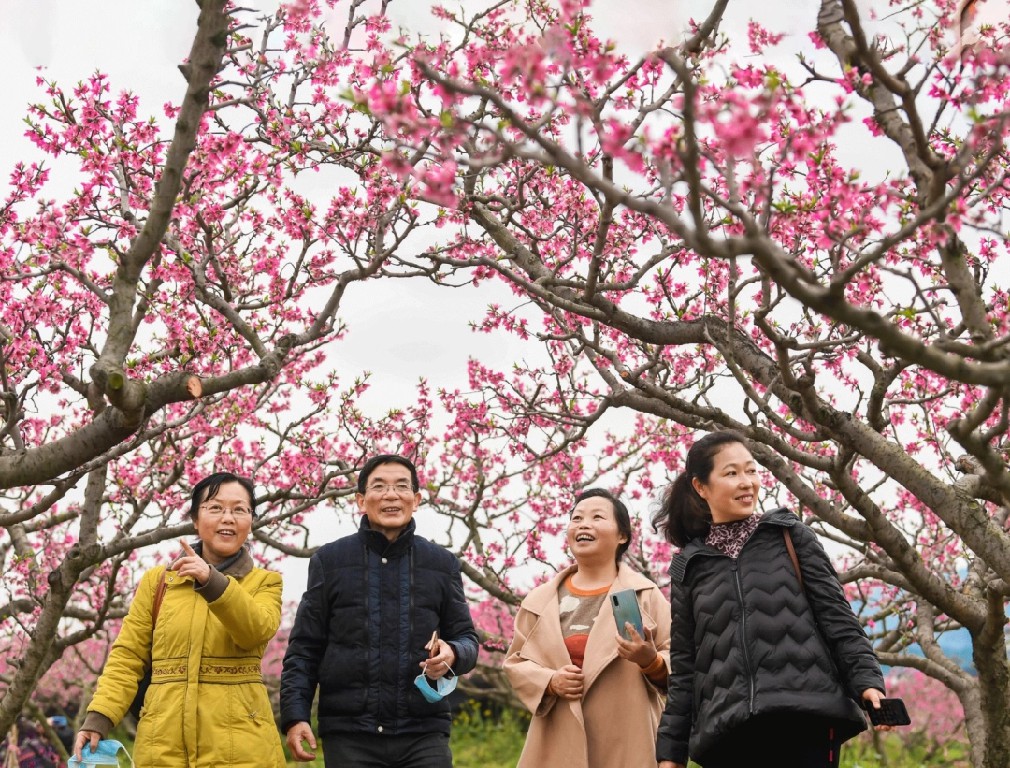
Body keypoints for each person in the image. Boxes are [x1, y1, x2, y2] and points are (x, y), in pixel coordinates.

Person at [653, 431, 889, 768]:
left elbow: (838, 619)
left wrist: (867, 682)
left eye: (751, 471)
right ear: (701, 487)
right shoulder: (690, 566)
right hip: (730, 734)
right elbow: (686, 666)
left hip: (806, 720)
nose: (746, 482)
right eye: (731, 473)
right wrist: (670, 752)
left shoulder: (789, 536)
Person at [73, 472, 286, 768]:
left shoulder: (265, 582)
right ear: (196, 520)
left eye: (240, 509)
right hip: (162, 744)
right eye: (215, 508)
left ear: (251, 521)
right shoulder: (158, 582)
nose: (228, 518)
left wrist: (211, 580)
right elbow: (128, 657)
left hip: (243, 746)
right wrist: (99, 718)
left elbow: (254, 631)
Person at [280, 454, 479, 767]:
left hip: (423, 731)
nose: (391, 495)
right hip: (350, 733)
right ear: (361, 500)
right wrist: (295, 716)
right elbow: (305, 648)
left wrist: (453, 652)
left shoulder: (441, 564)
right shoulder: (329, 561)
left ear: (416, 500)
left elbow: (467, 638)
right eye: (379, 487)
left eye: (401, 487)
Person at [503, 488, 672, 768]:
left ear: (622, 535)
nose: (583, 524)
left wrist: (651, 661)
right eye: (577, 518)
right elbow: (516, 663)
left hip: (626, 743)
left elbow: (680, 659)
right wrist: (550, 681)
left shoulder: (646, 595)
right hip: (557, 745)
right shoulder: (539, 600)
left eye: (597, 517)